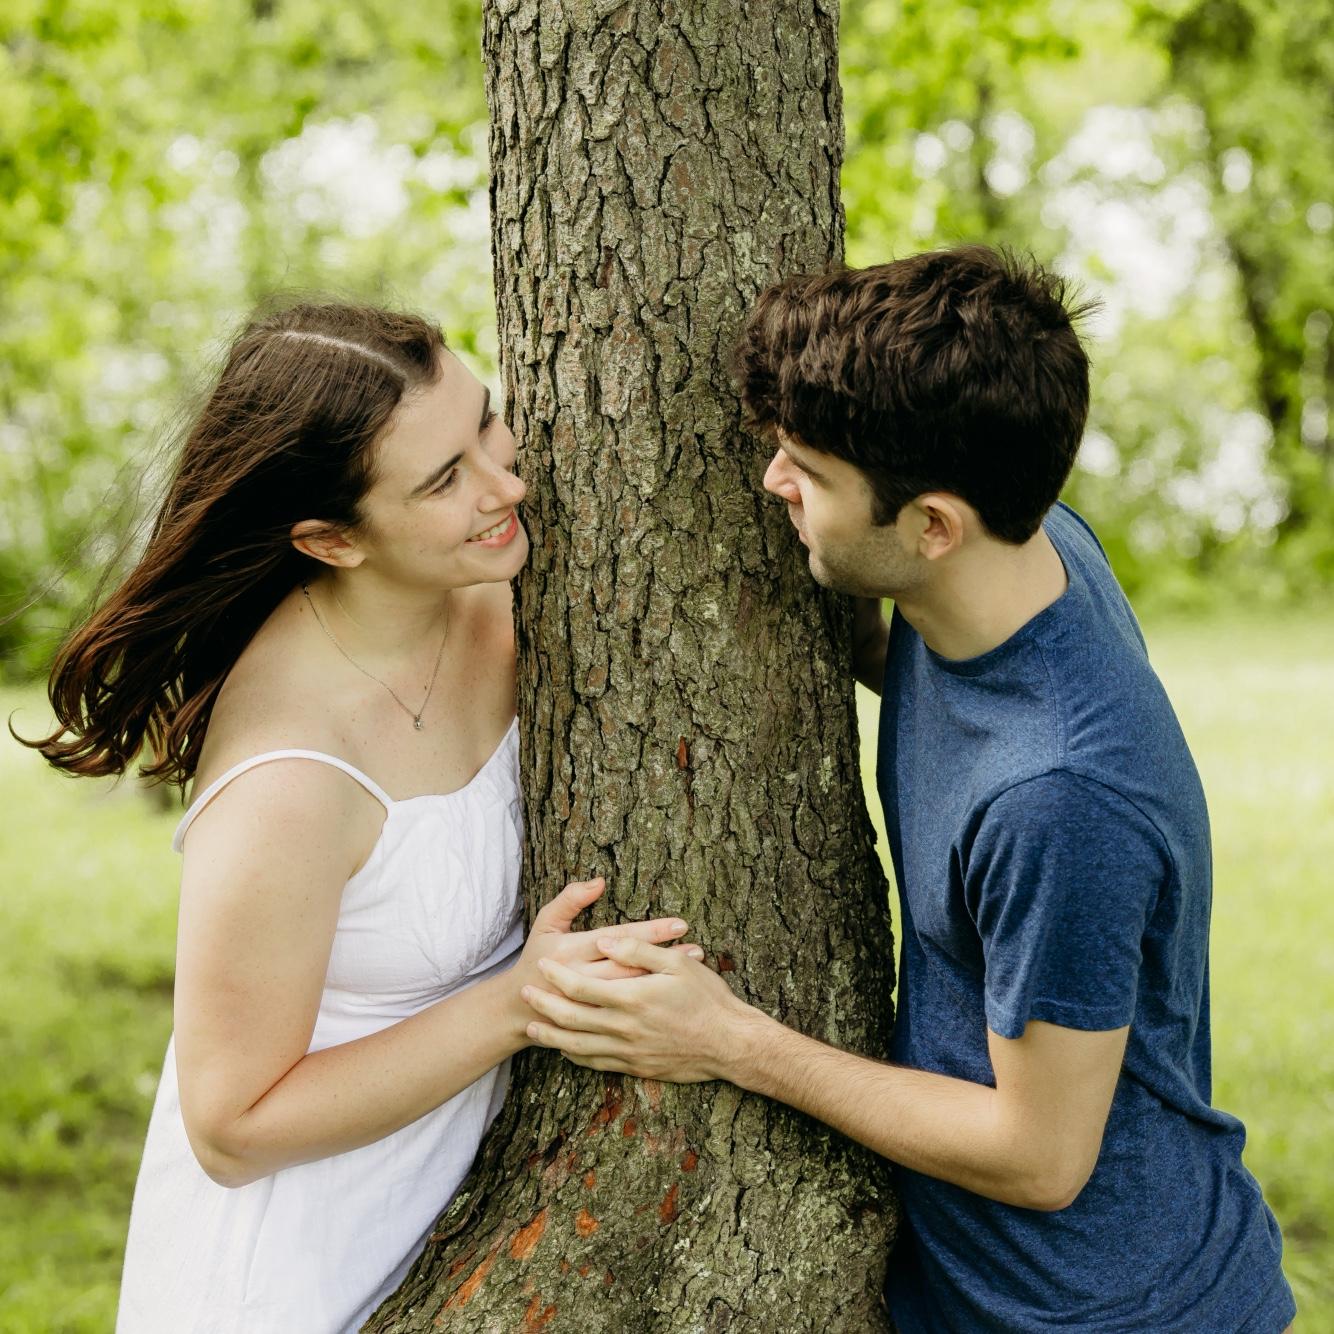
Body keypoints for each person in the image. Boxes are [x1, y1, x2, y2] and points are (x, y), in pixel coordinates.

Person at [519, 247, 1298, 1331]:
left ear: (932, 526)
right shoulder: (1022, 558)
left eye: (808, 469)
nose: (771, 482)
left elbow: (1039, 1156)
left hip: (1105, 1309)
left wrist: (729, 1040)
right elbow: (960, 690)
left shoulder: (1059, 801)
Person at [23, 301, 700, 1332]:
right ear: (331, 540)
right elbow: (231, 1126)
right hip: (294, 1279)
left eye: (486, 421)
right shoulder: (289, 777)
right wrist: (519, 1004)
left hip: (457, 1229)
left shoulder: (498, 581)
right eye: (443, 480)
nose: (505, 484)